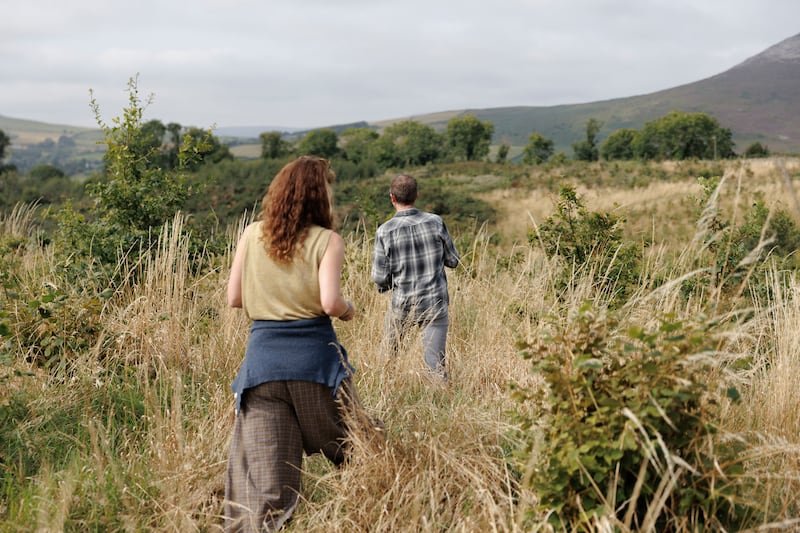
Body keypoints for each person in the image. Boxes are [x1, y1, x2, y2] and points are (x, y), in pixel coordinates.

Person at [224, 155, 362, 532]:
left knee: (267, 487)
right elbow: (331, 303)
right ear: (320, 196)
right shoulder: (327, 241)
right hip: (315, 367)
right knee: (358, 444)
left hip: (261, 370)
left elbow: (234, 298)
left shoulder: (252, 234)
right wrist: (349, 310)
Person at [371, 173, 460, 380]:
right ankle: (440, 406)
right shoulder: (435, 222)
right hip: (435, 303)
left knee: (387, 360)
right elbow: (454, 261)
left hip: (402, 304)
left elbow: (379, 277)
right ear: (416, 195)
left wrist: (390, 282)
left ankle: (387, 392)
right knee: (436, 368)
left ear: (392, 197)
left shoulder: (385, 231)